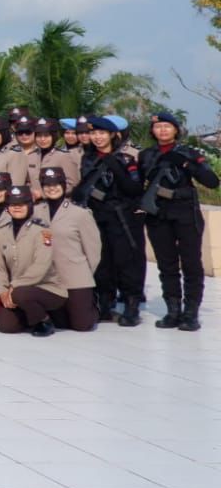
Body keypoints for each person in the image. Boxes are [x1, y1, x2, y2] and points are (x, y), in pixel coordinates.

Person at [139, 112, 218, 331]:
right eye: (158, 127)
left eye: (167, 126)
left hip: (185, 214)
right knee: (167, 264)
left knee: (191, 263)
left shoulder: (189, 153)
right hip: (157, 215)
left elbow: (212, 182)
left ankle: (190, 312)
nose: (162, 131)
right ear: (152, 131)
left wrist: (187, 164)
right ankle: (173, 310)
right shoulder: (146, 155)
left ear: (176, 130)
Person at [75, 116, 145, 325]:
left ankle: (131, 306)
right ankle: (105, 302)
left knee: (125, 261)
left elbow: (133, 188)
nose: (97, 137)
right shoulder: (87, 159)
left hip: (120, 217)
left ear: (113, 135)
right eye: (94, 133)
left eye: (102, 133)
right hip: (95, 216)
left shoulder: (125, 160)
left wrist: (112, 163)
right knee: (101, 261)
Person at [0, 186, 66, 336]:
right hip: (17, 291)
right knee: (6, 326)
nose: (17, 208)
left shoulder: (42, 232)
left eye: (22, 204)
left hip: (47, 288)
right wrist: (3, 291)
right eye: (13, 204)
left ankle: (44, 321)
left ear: (30, 205)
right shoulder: (1, 233)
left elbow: (41, 266)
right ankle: (29, 315)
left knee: (20, 294)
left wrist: (14, 285)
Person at [36, 166, 101, 332]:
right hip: (48, 277)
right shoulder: (35, 212)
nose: (52, 188)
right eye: (47, 185)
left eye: (56, 184)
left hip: (75, 276)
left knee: (82, 325)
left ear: (64, 186)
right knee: (61, 324)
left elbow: (93, 250)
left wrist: (85, 275)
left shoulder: (80, 213)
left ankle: (93, 303)